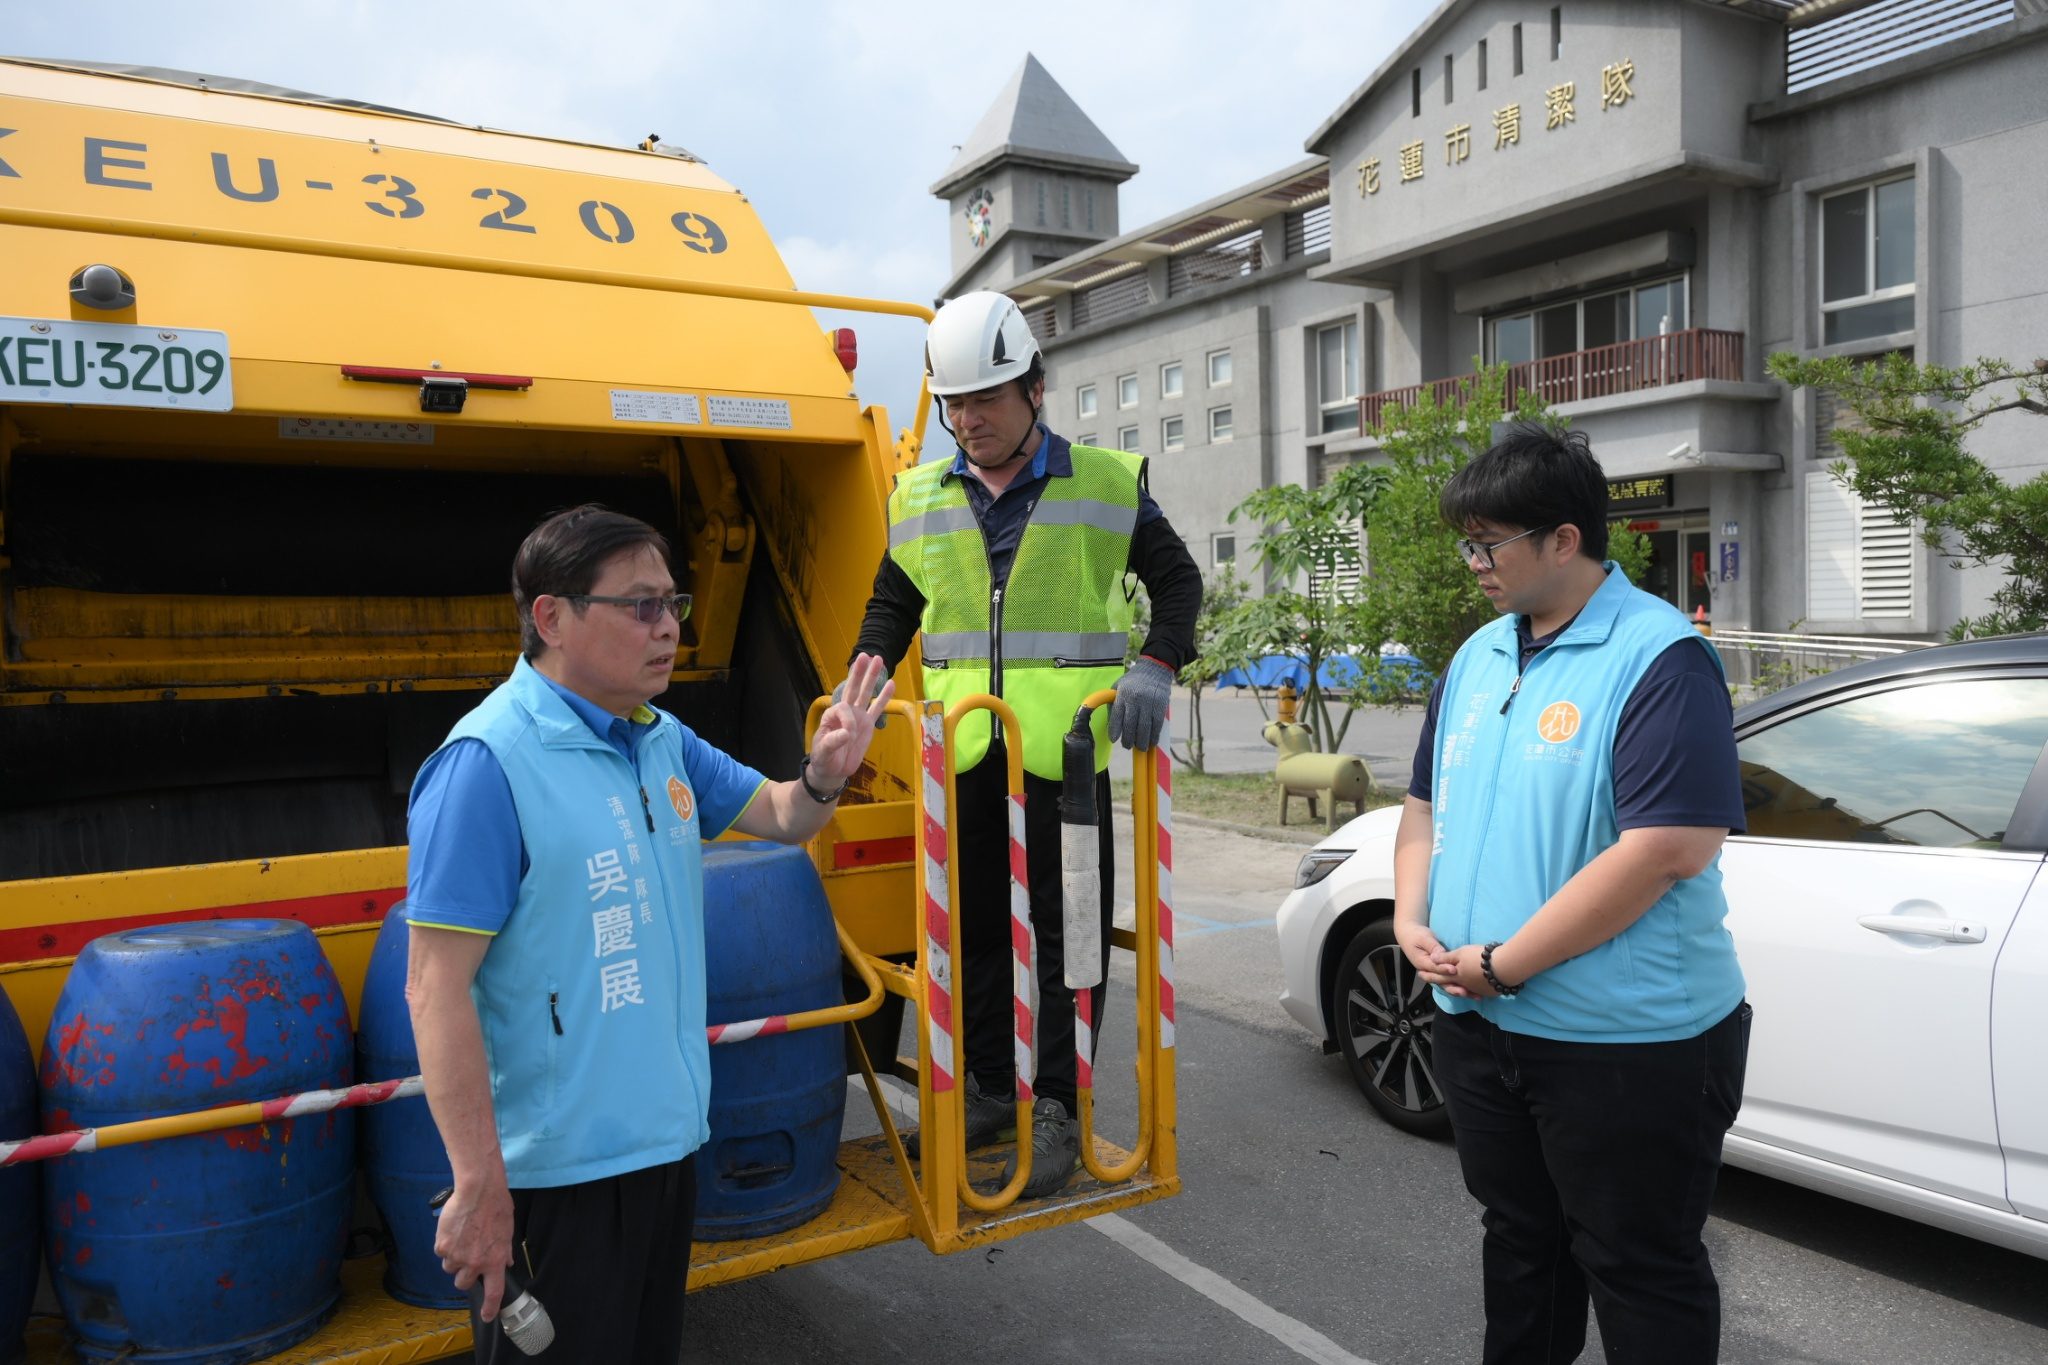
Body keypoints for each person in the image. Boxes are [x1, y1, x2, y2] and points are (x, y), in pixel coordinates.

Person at [405, 504, 893, 1362]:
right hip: (557, 1180)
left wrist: (824, 770)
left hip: (664, 1152)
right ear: (552, 617)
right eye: (640, 605)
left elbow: (780, 813)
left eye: (674, 603)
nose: (668, 626)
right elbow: (432, 985)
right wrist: (479, 1182)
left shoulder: (658, 739)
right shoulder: (487, 764)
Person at [1392, 424, 1750, 1364]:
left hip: (1625, 1044)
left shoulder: (1660, 656)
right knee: (1520, 1245)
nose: (1473, 563)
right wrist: (1407, 917)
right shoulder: (1476, 657)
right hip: (1478, 1024)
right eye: (1465, 543)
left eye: (1489, 543)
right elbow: (1424, 810)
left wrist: (1505, 964)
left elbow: (1667, 848)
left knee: (1638, 1268)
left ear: (1563, 538)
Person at [849, 291, 1202, 1197]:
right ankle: (993, 1090)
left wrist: (1157, 664)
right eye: (954, 403)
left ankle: (1058, 1105)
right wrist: (864, 675)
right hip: (966, 756)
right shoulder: (919, 495)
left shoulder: (1105, 482)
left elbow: (1177, 582)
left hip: (1067, 763)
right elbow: (895, 605)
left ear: (1035, 390)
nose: (969, 420)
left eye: (988, 399)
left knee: (1067, 938)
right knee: (972, 937)